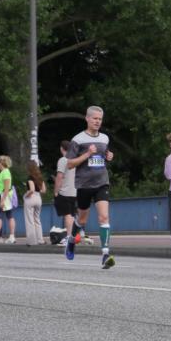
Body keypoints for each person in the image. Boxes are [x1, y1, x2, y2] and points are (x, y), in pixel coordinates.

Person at [65, 105, 116, 269]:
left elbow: (104, 155)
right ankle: (72, 240)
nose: (97, 122)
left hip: (102, 182)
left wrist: (109, 156)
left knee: (104, 217)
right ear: (87, 118)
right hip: (84, 184)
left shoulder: (105, 138)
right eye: (94, 118)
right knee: (82, 219)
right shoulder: (78, 139)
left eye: (100, 119)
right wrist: (87, 154)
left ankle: (105, 254)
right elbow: (70, 164)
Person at [54, 140, 77, 245]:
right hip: (74, 191)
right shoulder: (75, 160)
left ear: (61, 148)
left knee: (67, 215)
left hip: (64, 192)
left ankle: (68, 237)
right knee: (72, 215)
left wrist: (56, 191)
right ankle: (72, 236)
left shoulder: (63, 160)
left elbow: (60, 176)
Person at [24, 160, 47, 246]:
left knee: (29, 220)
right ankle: (40, 239)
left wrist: (26, 195)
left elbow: (32, 189)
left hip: (31, 198)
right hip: (38, 198)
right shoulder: (40, 177)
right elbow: (44, 190)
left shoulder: (30, 178)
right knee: (37, 219)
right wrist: (38, 192)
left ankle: (32, 241)